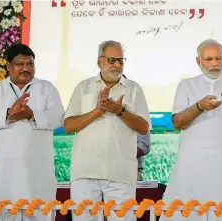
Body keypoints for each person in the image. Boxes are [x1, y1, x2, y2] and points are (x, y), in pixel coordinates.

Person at [160, 39, 222, 221]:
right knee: (183, 213)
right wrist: (199, 106)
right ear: (198, 61)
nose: (215, 63)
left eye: (218, 58)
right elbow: (177, 122)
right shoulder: (187, 86)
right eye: (209, 59)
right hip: (190, 170)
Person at [63, 40, 151, 221]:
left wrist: (119, 111)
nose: (117, 65)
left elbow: (143, 127)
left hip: (121, 173)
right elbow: (68, 126)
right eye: (112, 60)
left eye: (121, 60)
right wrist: (96, 112)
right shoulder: (83, 87)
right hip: (85, 172)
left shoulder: (134, 89)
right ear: (99, 62)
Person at [0, 43, 65, 221]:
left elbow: (57, 117)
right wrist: (8, 114)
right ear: (8, 66)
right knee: (4, 213)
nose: (26, 68)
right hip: (5, 173)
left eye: (30, 64)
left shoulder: (47, 88)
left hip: (38, 172)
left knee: (39, 213)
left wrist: (31, 115)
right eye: (20, 64)